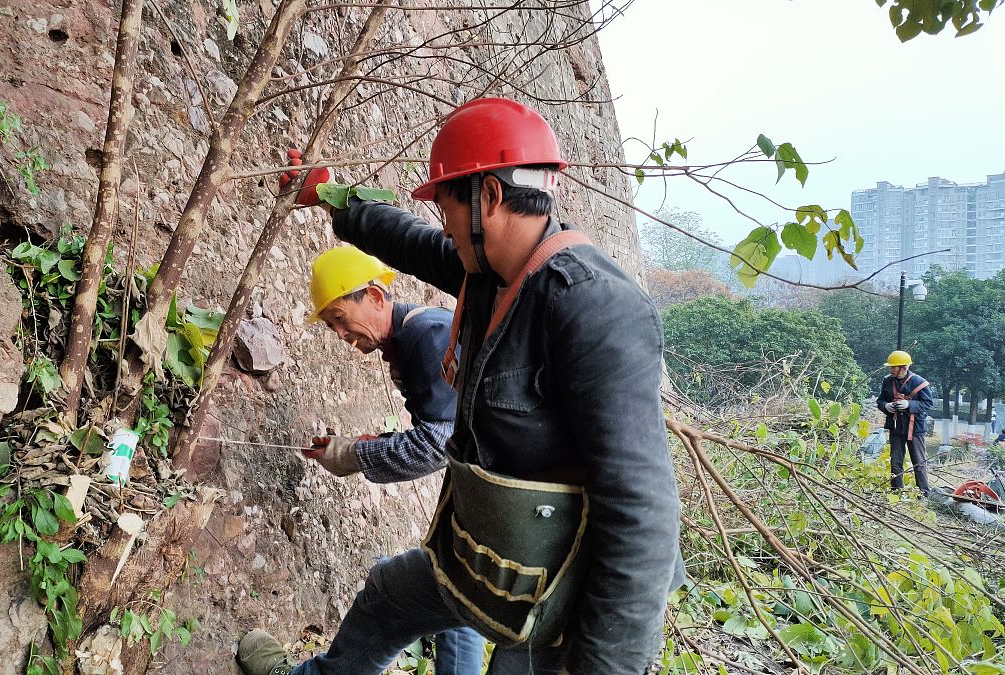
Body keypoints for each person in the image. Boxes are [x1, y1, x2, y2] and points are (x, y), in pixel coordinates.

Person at [238, 97, 683, 675]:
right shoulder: (489, 271)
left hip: (564, 599)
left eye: (446, 209)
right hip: (494, 558)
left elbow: (642, 508)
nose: (444, 228)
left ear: (488, 199)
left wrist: (604, 664)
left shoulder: (594, 308)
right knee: (388, 596)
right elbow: (409, 241)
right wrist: (329, 195)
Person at [302, 244, 485, 674]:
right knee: (460, 607)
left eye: (341, 320)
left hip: (485, 496)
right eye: (331, 327)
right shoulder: (411, 337)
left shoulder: (426, 335)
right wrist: (374, 443)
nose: (341, 336)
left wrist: (351, 454)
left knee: (393, 592)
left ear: (376, 297)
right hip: (486, 503)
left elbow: (435, 444)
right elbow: (444, 425)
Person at [877, 350, 934, 494]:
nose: (890, 370)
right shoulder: (888, 381)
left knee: (919, 462)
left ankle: (924, 493)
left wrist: (910, 405)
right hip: (896, 426)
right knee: (895, 461)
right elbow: (880, 401)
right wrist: (886, 406)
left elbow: (928, 403)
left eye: (893, 367)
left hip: (915, 428)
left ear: (904, 368)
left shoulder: (919, 382)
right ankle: (896, 492)